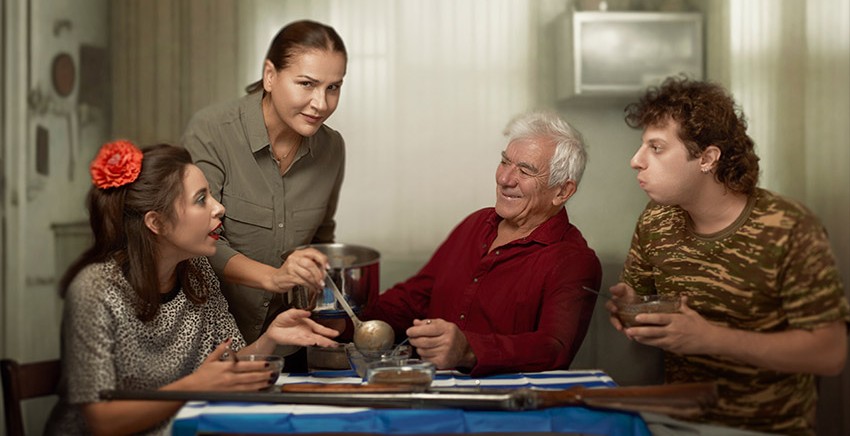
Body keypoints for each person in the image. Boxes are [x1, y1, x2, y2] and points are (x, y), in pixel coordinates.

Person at [607, 76, 850, 435]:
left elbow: (830, 353)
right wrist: (632, 309)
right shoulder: (655, 221)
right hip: (676, 424)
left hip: (768, 428)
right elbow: (642, 302)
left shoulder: (788, 227)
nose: (635, 161)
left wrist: (711, 338)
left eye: (656, 148)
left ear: (707, 158)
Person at [46, 141, 339, 435]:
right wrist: (194, 385)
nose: (219, 207)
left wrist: (270, 339)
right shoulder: (94, 291)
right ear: (156, 222)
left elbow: (225, 366)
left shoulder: (197, 271)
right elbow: (101, 421)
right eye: (201, 199)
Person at [357, 110, 602, 376]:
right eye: (505, 162)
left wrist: (468, 349)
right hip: (429, 389)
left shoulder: (574, 261)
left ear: (562, 191)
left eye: (525, 170)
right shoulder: (476, 224)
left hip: (505, 407)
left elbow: (553, 349)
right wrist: (347, 324)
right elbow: (415, 298)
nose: (505, 179)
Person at [181, 20, 348, 369]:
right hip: (211, 345)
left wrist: (323, 292)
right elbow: (196, 241)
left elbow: (320, 238)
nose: (321, 103)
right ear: (270, 75)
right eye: (307, 84)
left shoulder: (332, 147)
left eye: (334, 87)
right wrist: (274, 277)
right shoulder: (213, 131)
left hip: (289, 345)